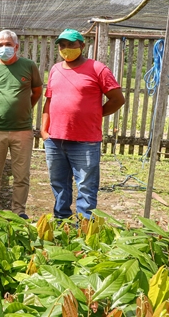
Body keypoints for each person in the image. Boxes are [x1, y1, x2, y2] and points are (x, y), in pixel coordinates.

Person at [41, 29, 125, 220]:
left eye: (71, 44)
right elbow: (48, 101)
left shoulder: (97, 69)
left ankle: (84, 227)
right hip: (55, 139)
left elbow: (117, 99)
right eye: (62, 45)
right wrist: (44, 130)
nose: (66, 49)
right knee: (59, 184)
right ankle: (61, 221)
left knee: (86, 186)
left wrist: (96, 114)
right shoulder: (55, 69)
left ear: (82, 45)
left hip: (85, 141)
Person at [0, 29, 43, 219]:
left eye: (8, 45)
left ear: (16, 47)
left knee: (21, 174)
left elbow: (37, 92)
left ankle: (18, 211)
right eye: (0, 45)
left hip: (22, 130)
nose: (4, 48)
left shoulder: (28, 66)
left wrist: (25, 109)